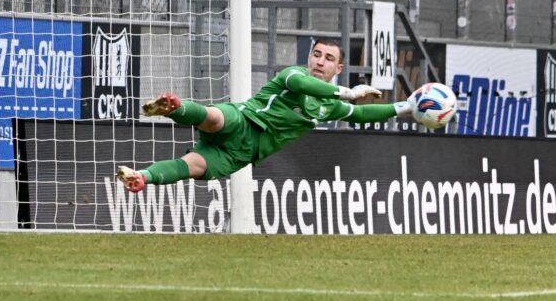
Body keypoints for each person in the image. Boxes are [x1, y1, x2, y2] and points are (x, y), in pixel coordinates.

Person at [117, 38, 416, 193]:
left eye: (328, 58)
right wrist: (345, 91)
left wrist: (406, 107)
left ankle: (141, 176)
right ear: (309, 57)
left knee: (193, 166)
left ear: (338, 69)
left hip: (245, 152)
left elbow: (360, 114)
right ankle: (174, 107)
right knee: (214, 117)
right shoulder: (295, 75)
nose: (320, 62)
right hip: (245, 119)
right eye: (316, 54)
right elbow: (302, 84)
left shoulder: (329, 106)